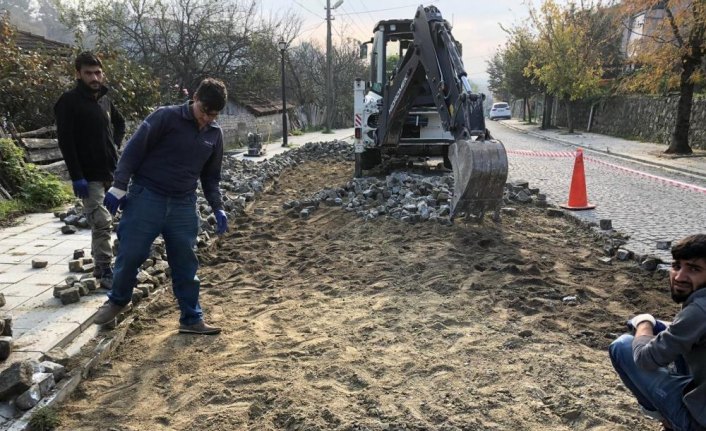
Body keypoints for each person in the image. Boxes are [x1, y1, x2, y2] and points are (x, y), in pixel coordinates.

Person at [94, 78, 229, 335]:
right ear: (195, 99)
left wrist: (218, 206)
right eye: (203, 112)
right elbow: (133, 151)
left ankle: (191, 318)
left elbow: (211, 177)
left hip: (183, 204)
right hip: (147, 196)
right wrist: (119, 185)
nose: (206, 120)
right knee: (131, 253)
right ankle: (117, 301)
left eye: (213, 116)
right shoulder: (165, 117)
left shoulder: (214, 134)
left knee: (185, 263)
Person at [609, 234, 706, 431]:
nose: (679, 277)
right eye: (677, 266)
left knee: (622, 346)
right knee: (667, 332)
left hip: (699, 422)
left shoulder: (699, 311)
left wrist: (643, 322)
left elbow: (645, 358)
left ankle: (667, 421)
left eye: (694, 269)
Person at [54, 51, 126, 289]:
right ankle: (105, 269)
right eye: (88, 73)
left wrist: (115, 145)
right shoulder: (69, 102)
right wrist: (77, 176)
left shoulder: (104, 99)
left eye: (97, 72)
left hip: (112, 173)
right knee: (102, 221)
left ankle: (104, 264)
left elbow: (120, 122)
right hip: (89, 175)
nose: (94, 77)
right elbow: (66, 141)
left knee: (112, 221)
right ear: (78, 74)